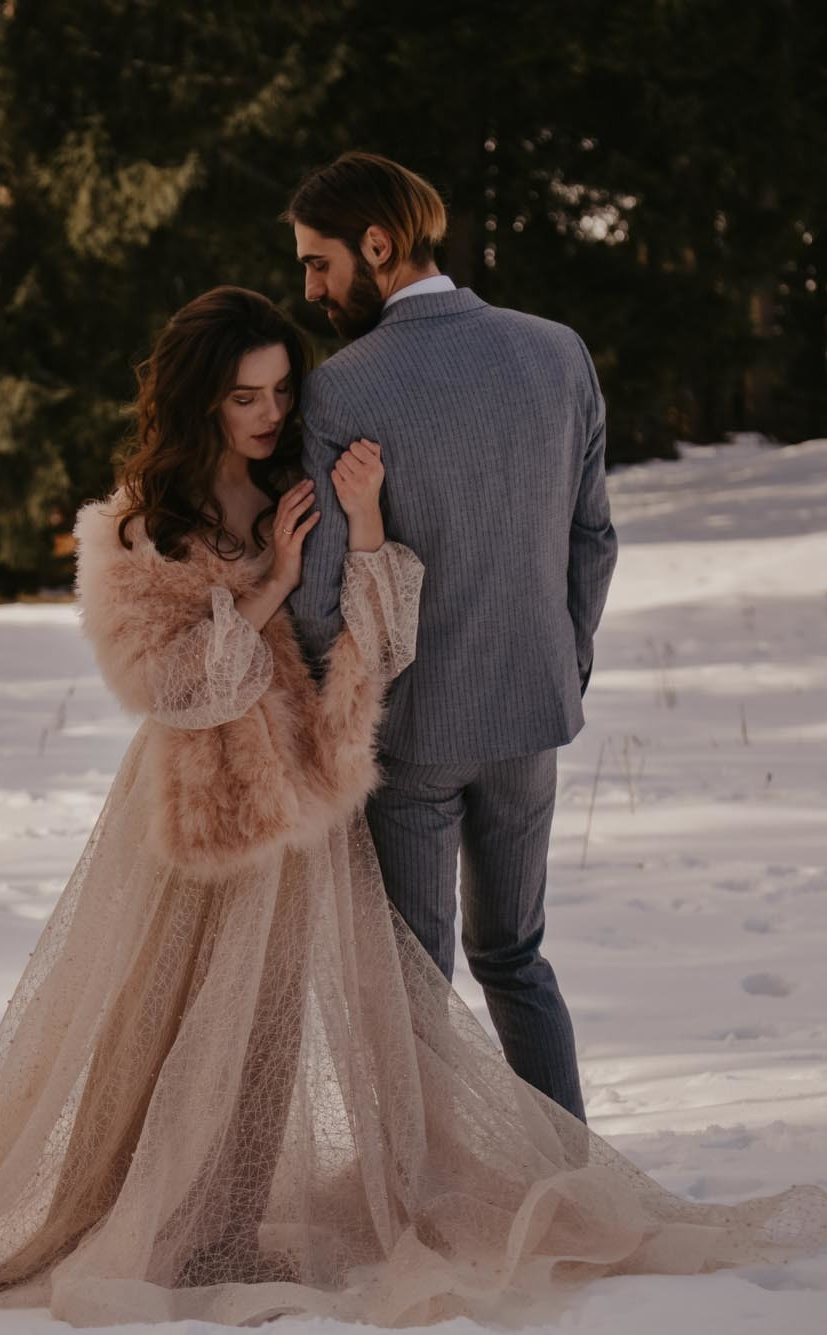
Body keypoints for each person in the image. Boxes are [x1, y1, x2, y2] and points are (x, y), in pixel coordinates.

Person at [0, 286, 827, 1326]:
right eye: (243, 396)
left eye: (277, 393)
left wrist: (359, 529)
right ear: (196, 398)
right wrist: (262, 586)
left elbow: (380, 649)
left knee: (270, 1027)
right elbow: (174, 689)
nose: (268, 416)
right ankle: (143, 1220)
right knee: (161, 1021)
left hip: (305, 808)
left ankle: (233, 1221)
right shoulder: (135, 523)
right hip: (195, 816)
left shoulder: (295, 489)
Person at [288, 151, 615, 1122]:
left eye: (317, 263)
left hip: (409, 730)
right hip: (531, 714)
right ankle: (569, 1187)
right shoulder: (558, 351)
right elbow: (590, 537)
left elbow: (318, 595)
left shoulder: (339, 388)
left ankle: (416, 1212)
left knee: (410, 985)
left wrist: (329, 716)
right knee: (515, 957)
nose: (307, 287)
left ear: (377, 246)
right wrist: (564, 665)